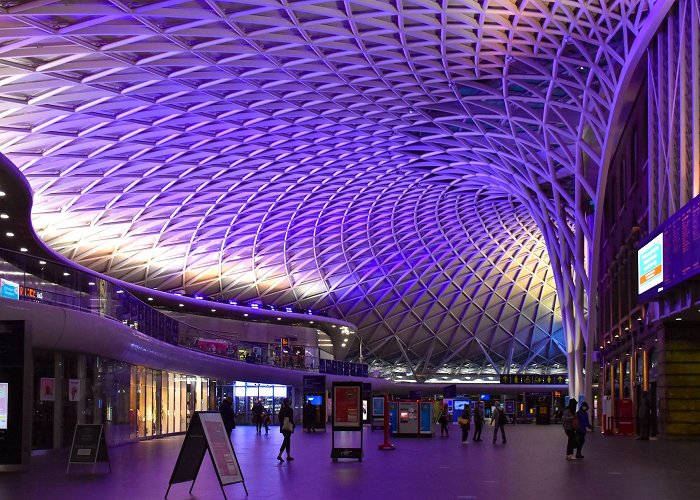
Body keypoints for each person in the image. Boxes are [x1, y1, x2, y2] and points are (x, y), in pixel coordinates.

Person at [277, 398, 294, 462]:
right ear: (288, 402)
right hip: (288, 426)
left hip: (283, 426)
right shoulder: (290, 409)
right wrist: (293, 425)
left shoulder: (282, 409)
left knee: (287, 440)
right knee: (286, 440)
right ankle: (280, 455)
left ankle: (288, 455)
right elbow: (291, 419)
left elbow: (279, 417)